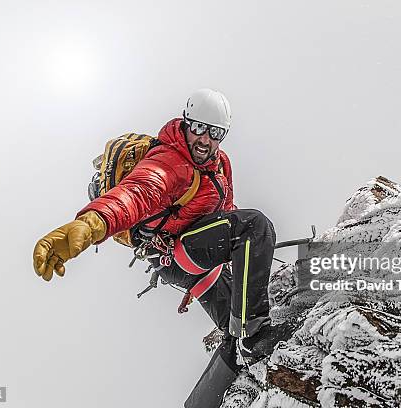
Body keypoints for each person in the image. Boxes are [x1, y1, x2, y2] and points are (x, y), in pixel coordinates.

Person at [32, 89, 280, 407]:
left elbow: (225, 214)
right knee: (255, 226)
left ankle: (209, 394)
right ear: (186, 123)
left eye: (215, 132)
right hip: (179, 254)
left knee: (233, 321)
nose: (205, 139)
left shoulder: (221, 165)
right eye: (199, 128)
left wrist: (230, 263)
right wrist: (91, 224)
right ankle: (253, 338)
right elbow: (136, 194)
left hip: (194, 260)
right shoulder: (170, 161)